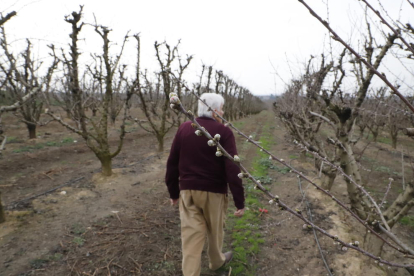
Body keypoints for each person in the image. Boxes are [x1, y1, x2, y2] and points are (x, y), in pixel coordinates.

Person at [165, 93, 245, 276]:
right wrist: (239, 200)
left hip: (188, 192)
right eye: (222, 108)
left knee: (191, 237)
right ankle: (216, 262)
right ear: (215, 110)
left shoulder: (184, 128)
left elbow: (172, 162)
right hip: (214, 192)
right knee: (215, 230)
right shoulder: (224, 133)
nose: (223, 112)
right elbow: (232, 167)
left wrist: (173, 192)